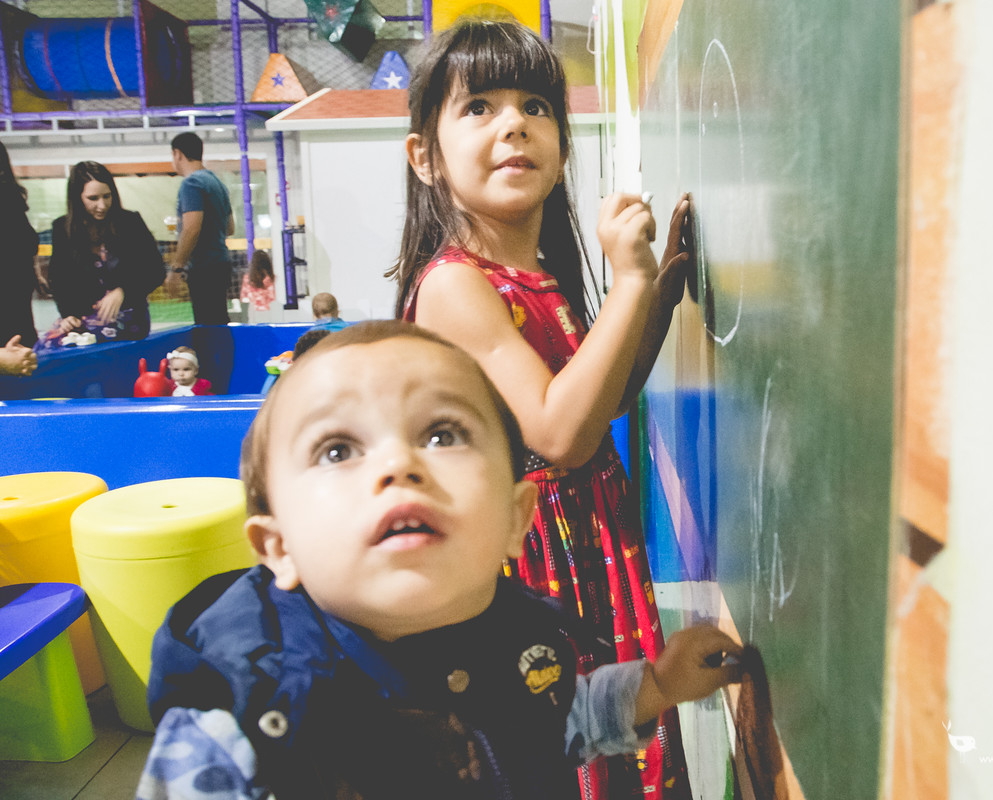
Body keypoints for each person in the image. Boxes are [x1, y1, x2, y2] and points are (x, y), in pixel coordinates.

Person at [136, 321, 740, 800]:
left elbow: (550, 720)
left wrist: (656, 685)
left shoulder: (517, 643)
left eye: (442, 435)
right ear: (279, 548)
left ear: (516, 520)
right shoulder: (234, 732)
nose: (398, 465)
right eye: (337, 449)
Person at [393, 19, 694, 800]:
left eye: (535, 106)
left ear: (560, 146)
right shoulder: (456, 284)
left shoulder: (534, 278)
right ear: (425, 157)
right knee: (561, 755)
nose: (514, 124)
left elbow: (601, 402)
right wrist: (630, 283)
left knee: (609, 745)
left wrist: (658, 295)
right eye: (479, 107)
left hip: (581, 544)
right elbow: (561, 436)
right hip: (535, 563)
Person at [41, 161, 163, 349]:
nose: (102, 205)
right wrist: (68, 315)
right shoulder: (62, 228)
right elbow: (59, 279)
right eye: (93, 198)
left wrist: (123, 290)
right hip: (82, 323)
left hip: (128, 321)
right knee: (47, 348)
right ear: (77, 198)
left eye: (107, 196)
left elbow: (155, 270)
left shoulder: (130, 223)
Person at [164, 132, 234, 325]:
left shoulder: (191, 184)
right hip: (221, 263)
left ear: (177, 154)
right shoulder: (217, 183)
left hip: (204, 268)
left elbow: (192, 228)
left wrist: (176, 268)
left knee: (207, 328)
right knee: (219, 322)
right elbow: (230, 228)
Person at [0, 141, 40, 349]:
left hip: (13, 285)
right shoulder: (10, 194)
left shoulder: (7, 196)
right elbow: (29, 241)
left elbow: (28, 241)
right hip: (16, 285)